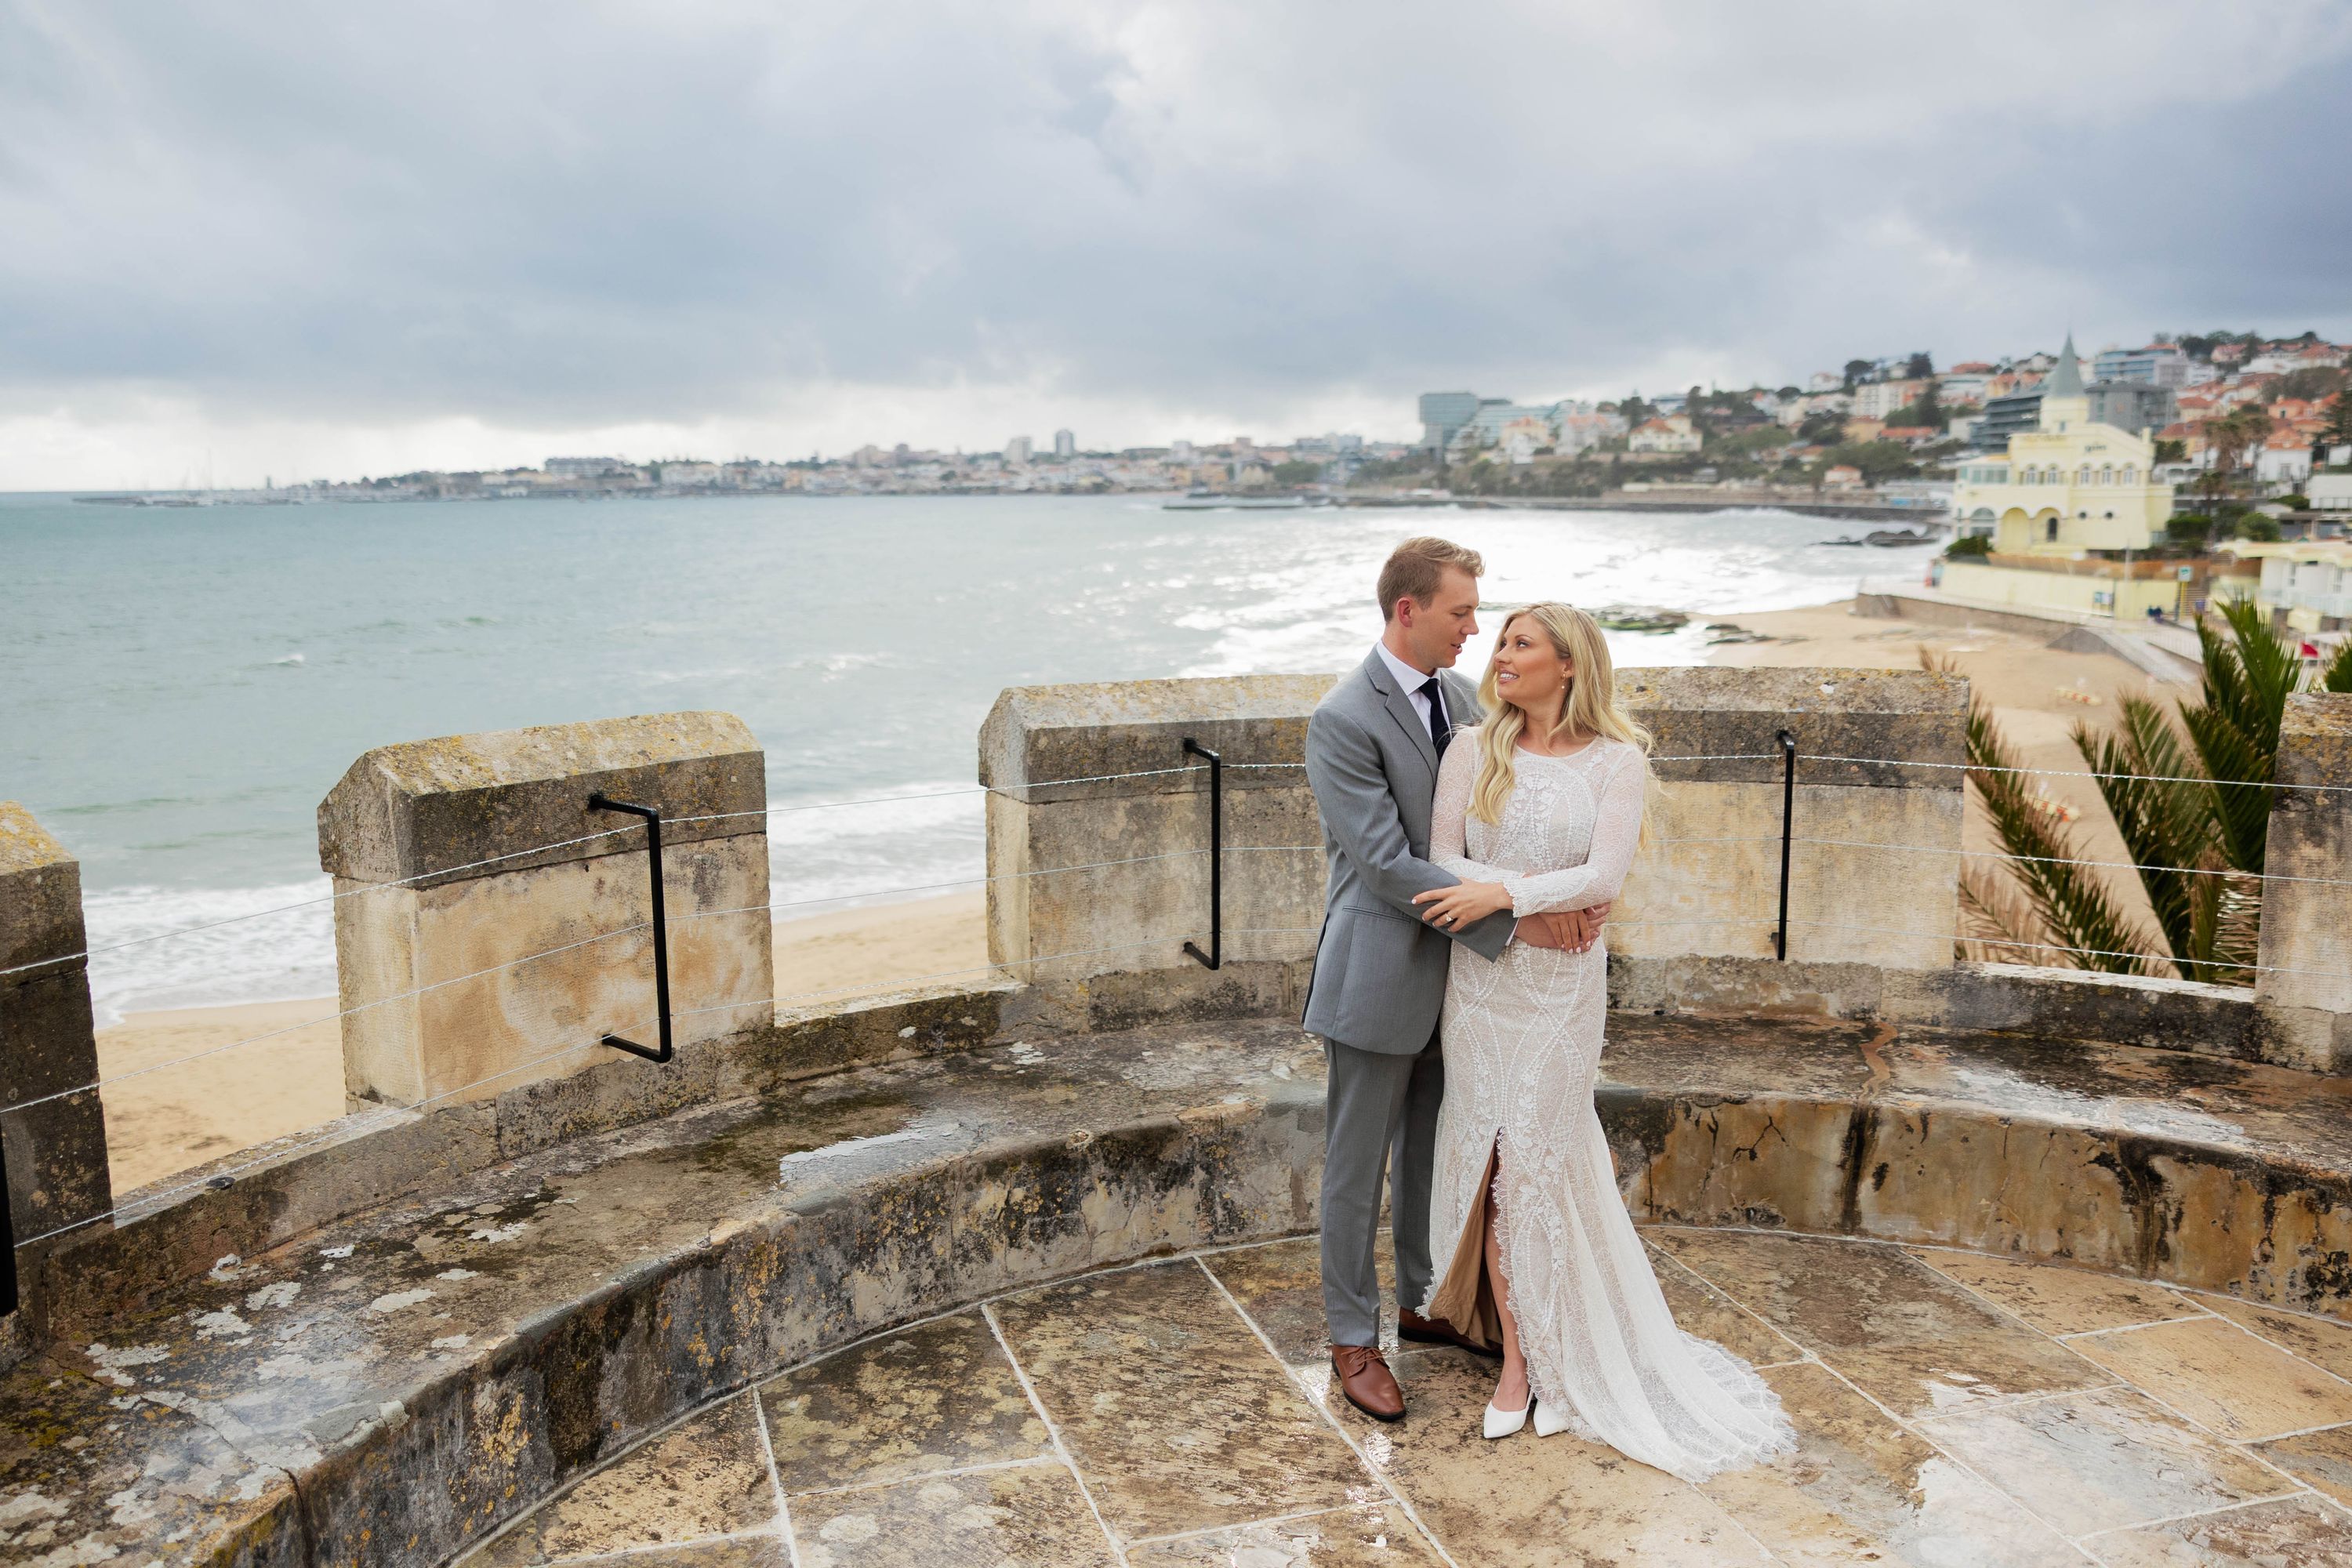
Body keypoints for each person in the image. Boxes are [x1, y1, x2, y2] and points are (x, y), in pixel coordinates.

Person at [1409, 602, 1795, 1476]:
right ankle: (1521, 1355)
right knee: (1495, 1163)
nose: (1500, 655)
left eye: (1519, 644)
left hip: (1561, 994)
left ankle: (1535, 1362)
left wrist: (1503, 893)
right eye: (1500, 641)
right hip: (1480, 990)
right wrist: (1522, 900)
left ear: (1569, 664)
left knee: (1539, 1160)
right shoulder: (1473, 747)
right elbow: (1439, 856)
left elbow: (1606, 875)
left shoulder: (1619, 762)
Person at [1301, 538, 1603, 1424]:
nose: (1476, 627)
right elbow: (1389, 861)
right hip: (1381, 971)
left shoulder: (1469, 707)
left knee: (1443, 1152)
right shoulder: (1343, 718)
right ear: (1408, 609)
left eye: (1480, 612)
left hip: (1469, 985)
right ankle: (1352, 1338)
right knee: (1357, 1166)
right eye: (1461, 611)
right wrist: (1521, 916)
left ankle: (1422, 1302)